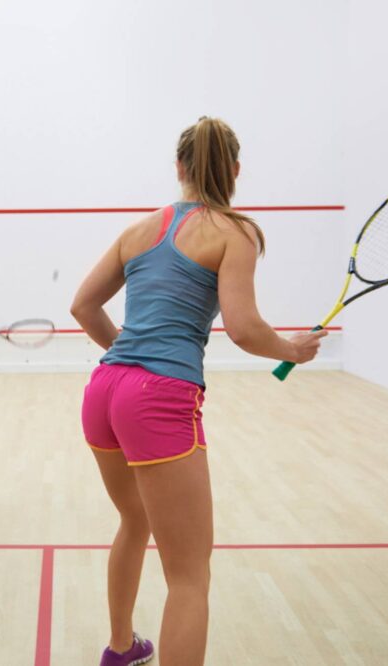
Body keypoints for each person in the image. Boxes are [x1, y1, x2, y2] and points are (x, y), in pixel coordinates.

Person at [71, 117, 326, 665]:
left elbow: (82, 307)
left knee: (134, 521)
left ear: (179, 167)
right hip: (157, 398)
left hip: (105, 389)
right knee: (189, 576)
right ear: (234, 170)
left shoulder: (138, 231)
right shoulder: (237, 232)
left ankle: (121, 649)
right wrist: (293, 350)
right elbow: (243, 327)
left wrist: (129, 359)